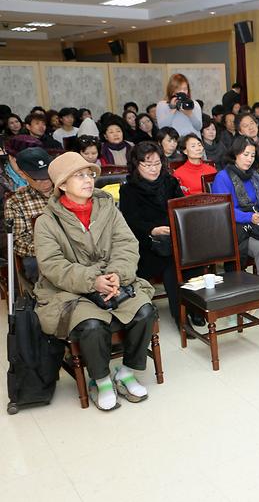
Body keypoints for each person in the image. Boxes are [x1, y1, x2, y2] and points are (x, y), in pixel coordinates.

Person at [34, 152, 157, 412]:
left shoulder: (107, 207)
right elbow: (52, 265)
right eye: (78, 175)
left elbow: (126, 244)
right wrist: (93, 280)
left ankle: (126, 372)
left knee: (145, 310)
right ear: (62, 185)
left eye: (89, 174)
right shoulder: (47, 221)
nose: (88, 180)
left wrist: (116, 274)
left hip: (113, 280)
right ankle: (100, 380)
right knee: (91, 325)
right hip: (69, 290)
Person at [119, 141, 188, 326]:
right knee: (170, 262)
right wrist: (152, 230)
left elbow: (182, 209)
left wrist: (173, 226)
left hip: (173, 237)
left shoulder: (170, 181)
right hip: (145, 243)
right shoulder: (129, 189)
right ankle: (181, 316)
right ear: (136, 164)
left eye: (157, 163)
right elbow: (130, 222)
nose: (153, 169)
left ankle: (193, 306)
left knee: (190, 255)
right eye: (147, 164)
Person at [211, 137, 259, 281]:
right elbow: (224, 210)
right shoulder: (223, 177)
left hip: (258, 223)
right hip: (236, 228)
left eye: (252, 155)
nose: (249, 159)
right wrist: (249, 217)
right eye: (245, 154)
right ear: (234, 154)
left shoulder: (255, 176)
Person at [5, 147, 53, 285]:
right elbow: (18, 242)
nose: (46, 181)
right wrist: (48, 249)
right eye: (38, 178)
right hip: (39, 255)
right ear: (22, 174)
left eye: (47, 174)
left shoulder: (66, 190)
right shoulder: (16, 202)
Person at [156, 73, 203, 137]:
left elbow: (199, 127)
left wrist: (190, 114)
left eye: (185, 89)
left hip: (193, 143)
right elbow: (162, 128)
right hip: (174, 143)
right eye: (179, 89)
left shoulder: (194, 104)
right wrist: (173, 108)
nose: (182, 92)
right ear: (172, 89)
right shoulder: (162, 105)